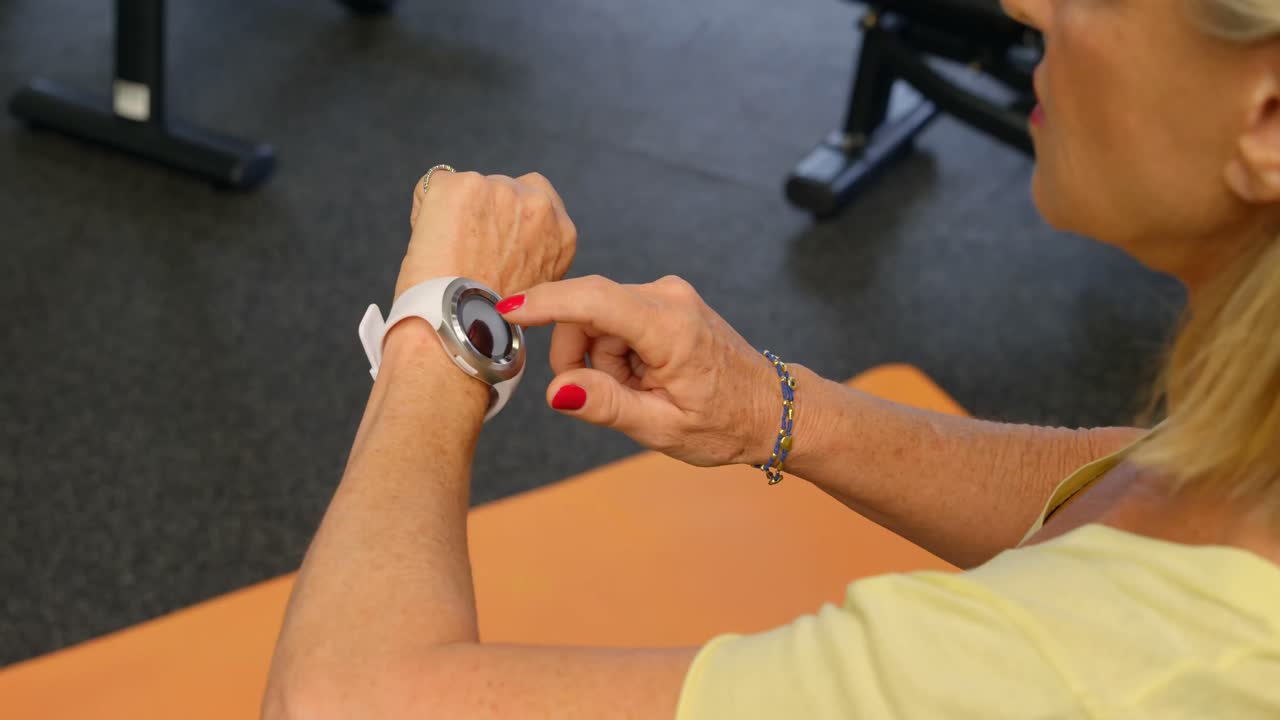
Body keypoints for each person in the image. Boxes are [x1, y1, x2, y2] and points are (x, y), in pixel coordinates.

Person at [261, 0, 1280, 716]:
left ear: (1268, 116)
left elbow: (333, 703)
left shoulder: (1093, 676)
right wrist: (767, 407)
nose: (1022, 5)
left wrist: (444, 328)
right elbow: (1144, 493)